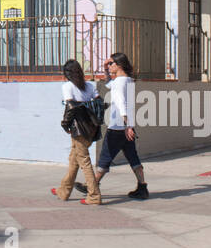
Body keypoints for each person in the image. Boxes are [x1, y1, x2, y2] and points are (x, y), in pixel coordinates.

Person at [94, 52, 147, 200]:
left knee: (105, 158)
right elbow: (108, 84)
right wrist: (105, 69)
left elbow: (121, 103)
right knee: (133, 157)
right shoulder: (128, 80)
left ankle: (92, 185)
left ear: (119, 65)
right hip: (126, 127)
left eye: (111, 63)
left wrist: (127, 125)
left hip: (118, 127)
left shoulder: (119, 82)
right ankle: (142, 187)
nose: (109, 65)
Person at [52, 59, 101, 204]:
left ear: (67, 74)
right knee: (74, 161)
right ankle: (63, 191)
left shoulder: (68, 87)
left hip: (78, 129)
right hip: (91, 128)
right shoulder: (90, 86)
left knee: (84, 162)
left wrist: (65, 124)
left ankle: (94, 196)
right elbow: (99, 102)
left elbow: (70, 107)